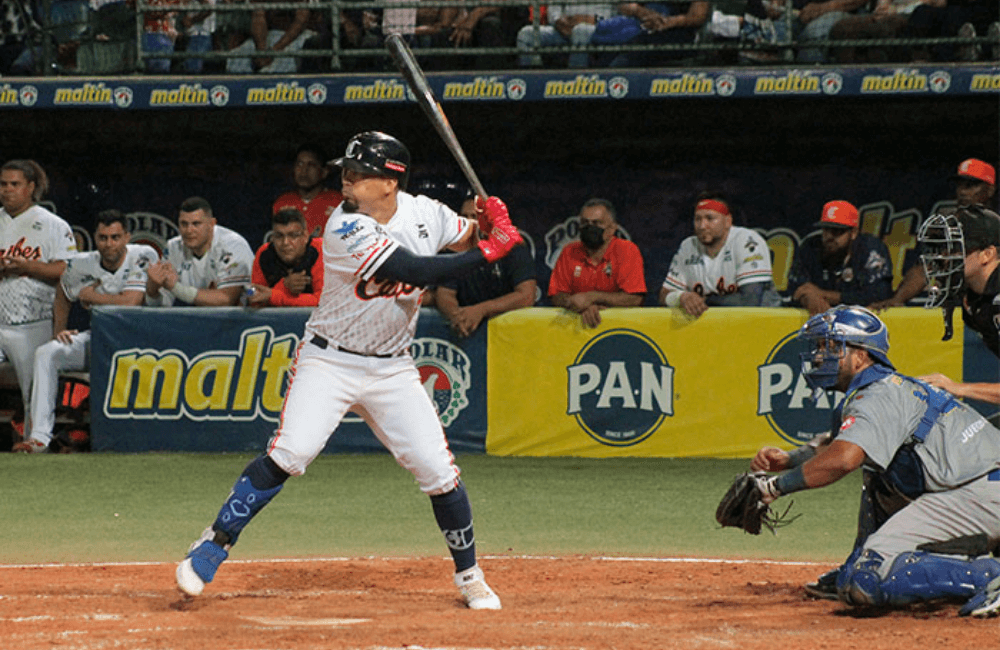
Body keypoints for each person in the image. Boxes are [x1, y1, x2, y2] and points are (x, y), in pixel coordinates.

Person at [174, 131, 522, 610]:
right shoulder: (344, 226)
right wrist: (490, 249)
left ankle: (470, 575)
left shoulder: (427, 214)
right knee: (291, 453)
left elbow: (470, 235)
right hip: (330, 360)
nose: (348, 181)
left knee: (438, 469)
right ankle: (215, 542)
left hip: (393, 368)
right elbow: (417, 271)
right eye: (347, 172)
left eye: (359, 174)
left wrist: (487, 225)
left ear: (390, 182)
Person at [750, 304, 1000, 617]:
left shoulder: (877, 395)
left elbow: (844, 459)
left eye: (831, 346)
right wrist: (788, 459)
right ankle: (858, 560)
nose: (818, 356)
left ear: (861, 356)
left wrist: (773, 487)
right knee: (878, 475)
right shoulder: (881, 390)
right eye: (820, 347)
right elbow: (839, 444)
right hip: (978, 487)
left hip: (981, 493)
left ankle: (989, 575)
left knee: (868, 579)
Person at [13, 210, 158, 453]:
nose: (109, 244)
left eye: (115, 237)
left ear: (127, 237)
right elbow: (63, 293)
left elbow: (132, 301)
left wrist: (92, 296)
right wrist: (59, 330)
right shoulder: (81, 263)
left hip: (140, 345)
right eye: (103, 237)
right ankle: (39, 438)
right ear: (95, 238)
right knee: (47, 353)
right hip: (101, 340)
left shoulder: (143, 254)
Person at [0, 160, 76, 441]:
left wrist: (26, 266)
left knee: (33, 393)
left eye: (14, 184)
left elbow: (67, 272)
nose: (7, 190)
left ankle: (34, 443)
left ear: (31, 188)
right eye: (3, 184)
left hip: (32, 321)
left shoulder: (51, 225)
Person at [869, 158, 996, 312]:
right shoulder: (947, 227)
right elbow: (925, 269)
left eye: (971, 185)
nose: (962, 191)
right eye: (960, 185)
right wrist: (896, 300)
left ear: (990, 190)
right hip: (959, 310)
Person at [916, 205, 999, 407]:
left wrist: (958, 387)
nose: (945, 257)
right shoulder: (972, 299)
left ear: (986, 254)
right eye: (945, 248)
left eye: (956, 249)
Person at [659, 192, 781, 318]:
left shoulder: (746, 240)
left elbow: (750, 301)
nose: (702, 226)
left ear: (728, 221)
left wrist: (705, 301)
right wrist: (681, 297)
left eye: (710, 218)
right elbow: (664, 295)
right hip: (716, 325)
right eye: (698, 219)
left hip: (762, 325)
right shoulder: (688, 246)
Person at [434, 193, 536, 337]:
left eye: (474, 217)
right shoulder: (454, 250)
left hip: (513, 335)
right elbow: (444, 293)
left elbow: (526, 295)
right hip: (469, 333)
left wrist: (481, 310)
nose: (469, 222)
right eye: (464, 217)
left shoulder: (513, 247)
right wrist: (457, 317)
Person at [548, 198, 646, 329]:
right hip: (576, 332)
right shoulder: (569, 252)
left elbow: (634, 298)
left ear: (612, 228)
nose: (589, 227)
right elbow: (557, 295)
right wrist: (576, 305)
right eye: (584, 222)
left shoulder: (627, 250)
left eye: (596, 223)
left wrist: (592, 297)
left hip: (621, 329)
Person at [786, 200, 893, 315]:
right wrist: (808, 298)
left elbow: (879, 294)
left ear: (853, 232)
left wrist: (823, 295)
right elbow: (796, 287)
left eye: (837, 231)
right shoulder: (811, 247)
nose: (829, 236)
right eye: (826, 229)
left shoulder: (870, 248)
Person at [144, 196, 254, 307]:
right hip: (204, 319)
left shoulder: (232, 245)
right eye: (184, 224)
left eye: (196, 224)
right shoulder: (174, 247)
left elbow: (226, 299)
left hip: (244, 319)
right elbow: (160, 305)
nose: (189, 230)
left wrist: (175, 287)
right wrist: (153, 288)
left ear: (211, 224)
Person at [247, 208, 323, 307]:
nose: (285, 242)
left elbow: (324, 302)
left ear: (305, 236)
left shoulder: (321, 250)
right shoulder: (264, 253)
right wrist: (284, 286)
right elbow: (253, 296)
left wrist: (274, 296)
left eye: (293, 236)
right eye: (279, 236)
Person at [271, 144, 343, 238]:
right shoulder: (283, 202)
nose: (304, 170)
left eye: (311, 165)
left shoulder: (338, 202)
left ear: (324, 172)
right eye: (300, 164)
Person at [516, 1, 615, 68]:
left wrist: (597, 20)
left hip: (599, 29)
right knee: (526, 34)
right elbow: (553, 11)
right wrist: (559, 21)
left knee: (580, 30)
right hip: (564, 29)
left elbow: (620, 14)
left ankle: (576, 85)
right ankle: (533, 85)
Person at [225, 0, 314, 73]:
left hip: (297, 36)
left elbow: (301, 21)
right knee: (240, 55)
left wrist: (274, 50)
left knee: (284, 59)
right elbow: (258, 15)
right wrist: (262, 53)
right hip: (268, 35)